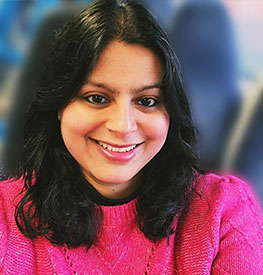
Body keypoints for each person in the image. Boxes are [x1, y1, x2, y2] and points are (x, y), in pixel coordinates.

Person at [0, 0, 262, 274]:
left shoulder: (225, 211)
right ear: (59, 106)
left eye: (147, 101)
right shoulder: (5, 216)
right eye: (97, 98)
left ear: (171, 111)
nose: (123, 126)